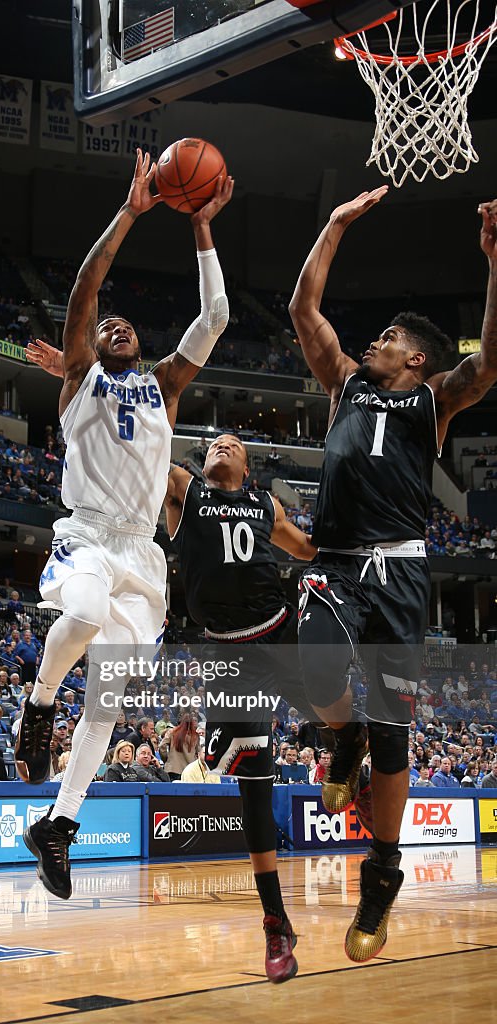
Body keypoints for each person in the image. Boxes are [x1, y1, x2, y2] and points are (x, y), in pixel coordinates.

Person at [288, 188, 497, 963]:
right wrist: (333, 227)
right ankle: (337, 741)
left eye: (386, 337)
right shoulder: (344, 382)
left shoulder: (433, 403)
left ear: (415, 358)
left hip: (400, 576)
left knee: (394, 737)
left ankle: (381, 871)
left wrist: (493, 262)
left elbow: (491, 361)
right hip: (337, 563)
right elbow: (303, 312)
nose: (370, 341)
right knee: (312, 669)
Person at [18, 150, 234, 900]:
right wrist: (132, 213)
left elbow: (215, 319)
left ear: (139, 344)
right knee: (75, 613)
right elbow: (85, 287)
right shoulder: (77, 376)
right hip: (85, 534)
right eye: (104, 325)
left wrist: (201, 229)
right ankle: (39, 701)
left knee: (109, 699)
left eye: (123, 323)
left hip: (142, 554)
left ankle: (58, 825)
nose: (112, 324)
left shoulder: (163, 385)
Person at [165, 432, 316, 982]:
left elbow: (304, 549)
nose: (220, 446)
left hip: (279, 631)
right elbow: (145, 445)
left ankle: (362, 777)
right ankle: (276, 921)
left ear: (249, 465)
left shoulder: (264, 504)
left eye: (231, 444)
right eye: (212, 444)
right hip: (228, 653)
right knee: (256, 782)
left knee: (333, 708)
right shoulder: (184, 491)